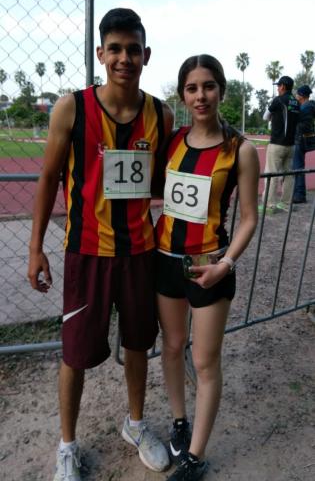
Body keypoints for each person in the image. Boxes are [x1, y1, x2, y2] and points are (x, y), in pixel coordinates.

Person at [27, 7, 174, 480]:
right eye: (115, 49)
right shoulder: (72, 107)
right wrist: (35, 247)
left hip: (139, 253)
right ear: (100, 54)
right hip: (86, 252)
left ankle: (135, 425)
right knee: (75, 353)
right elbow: (49, 176)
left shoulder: (161, 114)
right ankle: (67, 446)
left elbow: (168, 181)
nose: (124, 58)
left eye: (133, 49)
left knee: (137, 344)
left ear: (146, 55)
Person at [155, 54, 260, 480]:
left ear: (222, 90)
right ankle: (180, 420)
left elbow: (250, 217)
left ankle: (194, 456)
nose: (201, 95)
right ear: (183, 94)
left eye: (209, 86)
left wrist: (227, 263)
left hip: (210, 267)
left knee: (205, 361)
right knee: (173, 347)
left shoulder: (241, 150)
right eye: (193, 88)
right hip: (164, 260)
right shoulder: (173, 141)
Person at [259, 75, 300, 214]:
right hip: (291, 145)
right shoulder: (296, 102)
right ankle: (286, 203)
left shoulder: (278, 100)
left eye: (278, 86)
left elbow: (265, 117)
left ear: (283, 86)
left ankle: (269, 205)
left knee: (271, 174)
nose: (277, 88)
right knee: (289, 175)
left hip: (277, 144)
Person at [292, 84, 315, 203]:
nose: (296, 96)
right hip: (305, 139)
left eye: (297, 94)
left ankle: (299, 194)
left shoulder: (305, 108)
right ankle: (298, 192)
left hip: (300, 139)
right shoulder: (310, 105)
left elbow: (299, 122)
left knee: (297, 167)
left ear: (301, 96)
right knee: (297, 166)